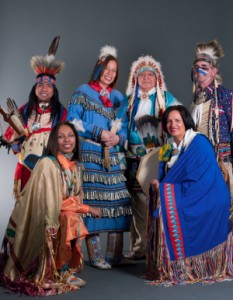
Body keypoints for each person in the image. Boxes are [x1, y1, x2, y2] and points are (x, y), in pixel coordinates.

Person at [1, 121, 101, 296]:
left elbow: (74, 196)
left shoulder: (77, 167)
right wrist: (87, 208)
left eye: (70, 135)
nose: (66, 140)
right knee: (68, 216)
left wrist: (79, 207)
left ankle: (63, 268)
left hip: (61, 213)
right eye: (60, 137)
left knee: (71, 215)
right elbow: (52, 200)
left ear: (76, 140)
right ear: (54, 141)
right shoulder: (48, 163)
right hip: (43, 215)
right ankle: (51, 270)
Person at [146, 105, 233, 286]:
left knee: (169, 209)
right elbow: (165, 177)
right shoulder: (166, 147)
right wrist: (159, 186)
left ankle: (188, 266)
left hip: (208, 194)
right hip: (185, 193)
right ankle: (172, 264)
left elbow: (202, 179)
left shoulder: (199, 142)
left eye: (177, 120)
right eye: (169, 121)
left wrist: (164, 189)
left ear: (186, 122)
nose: (173, 125)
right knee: (163, 209)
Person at [67, 45, 131, 270]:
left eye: (114, 70)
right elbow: (72, 121)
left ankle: (115, 254)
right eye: (107, 68)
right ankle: (95, 255)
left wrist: (118, 138)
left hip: (112, 155)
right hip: (90, 152)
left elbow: (124, 126)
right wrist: (98, 132)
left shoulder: (118, 97)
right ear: (98, 68)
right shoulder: (83, 91)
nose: (110, 73)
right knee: (93, 200)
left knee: (119, 200)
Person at [124, 55, 178, 260]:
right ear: (135, 79)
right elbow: (120, 125)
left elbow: (176, 129)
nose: (146, 78)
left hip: (159, 156)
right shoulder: (129, 102)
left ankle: (159, 246)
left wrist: (164, 157)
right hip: (133, 157)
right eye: (141, 75)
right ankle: (140, 247)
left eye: (150, 75)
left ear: (157, 79)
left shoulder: (166, 99)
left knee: (157, 199)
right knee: (137, 200)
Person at [2, 36, 67, 198]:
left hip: (51, 166)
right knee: (25, 208)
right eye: (40, 85)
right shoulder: (24, 111)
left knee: (48, 207)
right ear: (35, 88)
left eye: (48, 86)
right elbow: (9, 136)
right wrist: (15, 143)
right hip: (26, 166)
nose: (44, 89)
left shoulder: (61, 113)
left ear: (54, 90)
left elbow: (68, 140)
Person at [190, 39, 233, 205]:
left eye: (205, 68)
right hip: (200, 164)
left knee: (225, 208)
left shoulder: (225, 95)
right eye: (197, 67)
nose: (200, 71)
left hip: (222, 163)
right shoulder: (195, 100)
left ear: (214, 72)